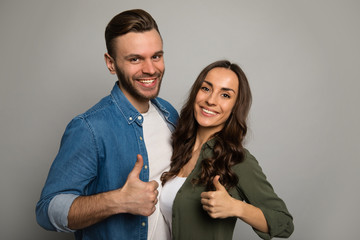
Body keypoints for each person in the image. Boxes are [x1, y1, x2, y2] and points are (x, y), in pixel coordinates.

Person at [36, 9, 178, 240]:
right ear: (111, 64)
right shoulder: (90, 128)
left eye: (156, 56)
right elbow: (47, 209)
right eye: (135, 59)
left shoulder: (168, 113)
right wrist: (118, 201)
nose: (151, 69)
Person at [160, 60, 294, 239]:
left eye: (225, 95)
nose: (210, 100)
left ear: (235, 107)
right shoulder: (176, 147)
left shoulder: (237, 160)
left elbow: (284, 223)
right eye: (206, 89)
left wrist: (236, 207)